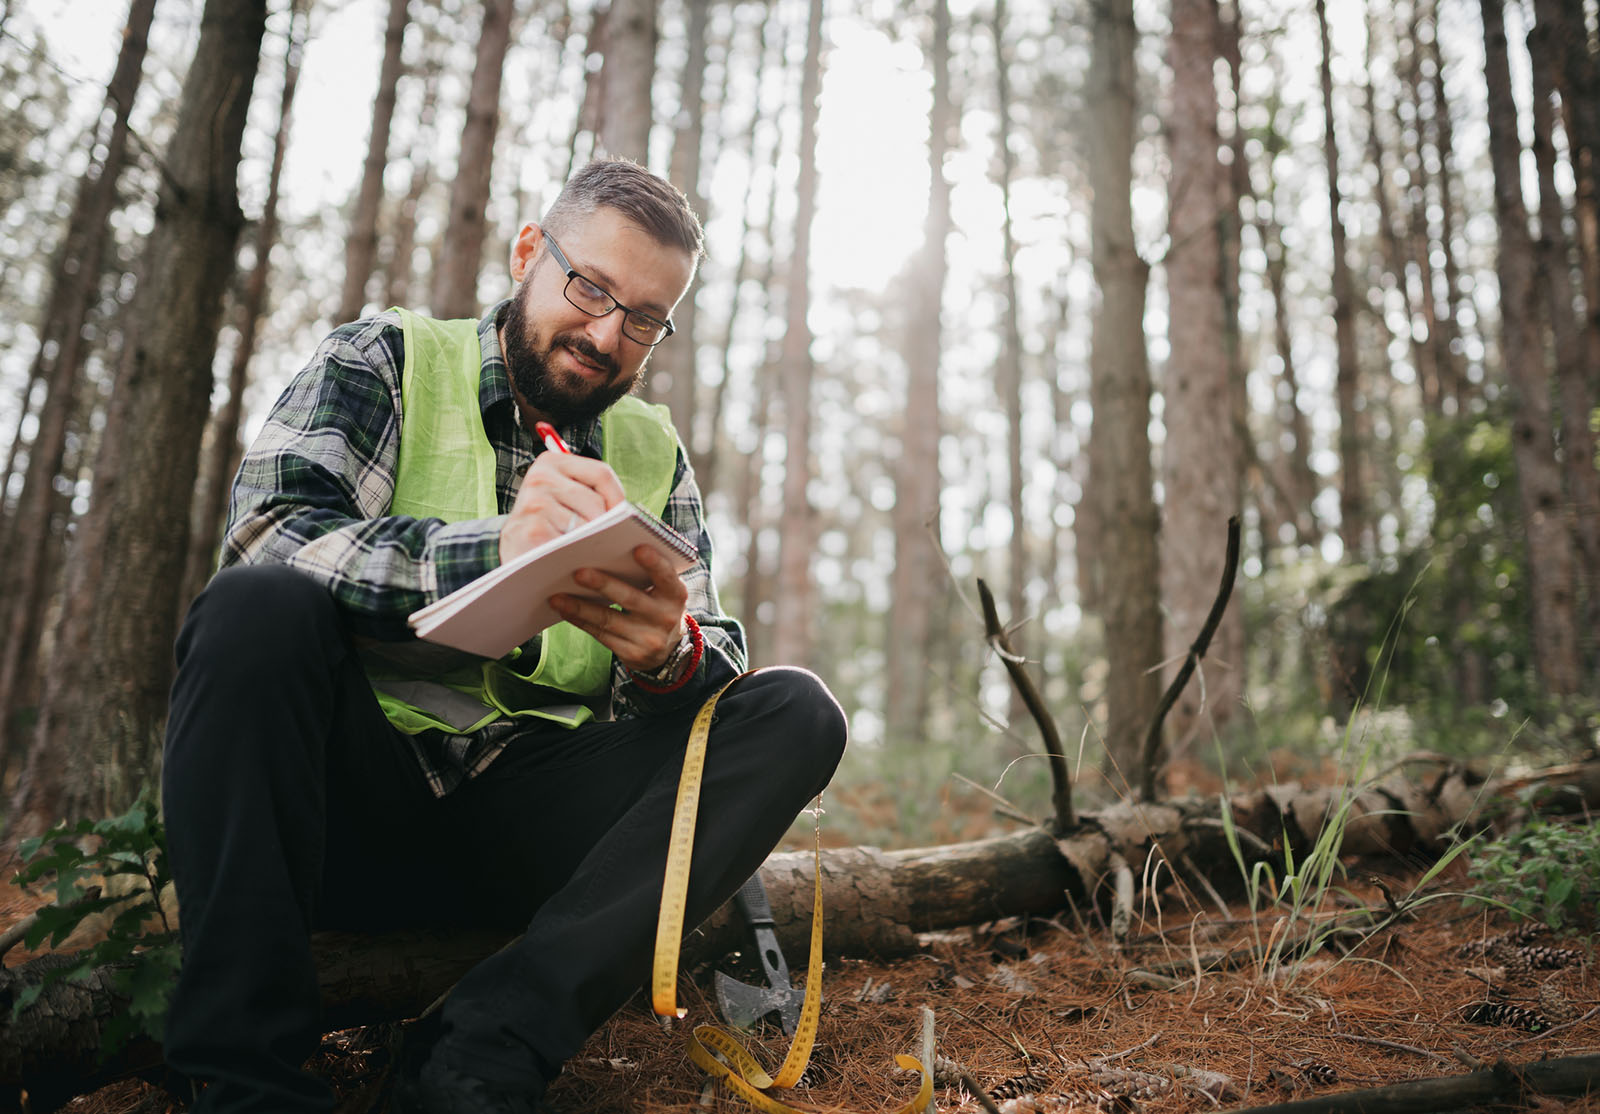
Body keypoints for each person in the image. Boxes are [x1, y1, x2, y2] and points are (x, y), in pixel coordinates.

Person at [161, 157, 847, 1114]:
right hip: (344, 811)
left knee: (796, 711)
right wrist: (489, 552)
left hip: (534, 833)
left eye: (644, 317)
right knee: (251, 606)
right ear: (530, 252)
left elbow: (713, 658)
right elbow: (273, 533)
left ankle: (479, 1050)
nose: (608, 335)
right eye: (590, 287)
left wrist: (670, 656)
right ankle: (247, 1085)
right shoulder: (384, 359)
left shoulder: (652, 451)